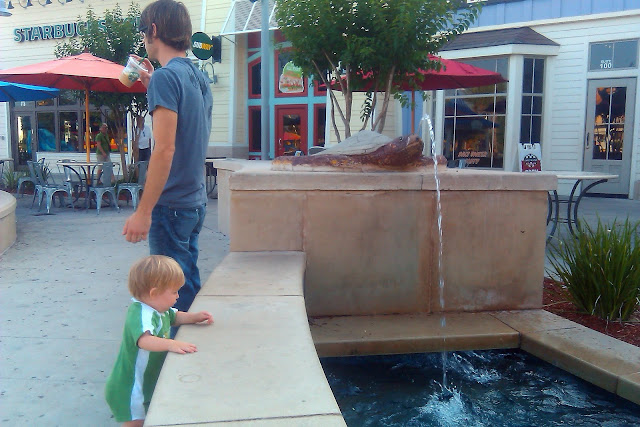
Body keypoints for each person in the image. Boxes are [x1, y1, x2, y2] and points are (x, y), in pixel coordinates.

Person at [122, 0, 213, 314]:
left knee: (168, 295)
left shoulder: (166, 78)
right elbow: (190, 131)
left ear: (154, 30)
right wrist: (152, 84)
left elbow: (164, 149)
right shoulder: (197, 77)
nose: (143, 38)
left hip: (171, 205)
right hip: (194, 201)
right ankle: (193, 337)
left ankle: (177, 344)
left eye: (143, 31)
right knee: (185, 283)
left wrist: (143, 212)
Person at [105, 255, 213, 426]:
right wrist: (172, 344)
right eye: (174, 292)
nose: (178, 296)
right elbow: (144, 340)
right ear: (154, 293)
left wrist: (194, 317)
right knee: (136, 423)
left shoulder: (159, 308)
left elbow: (175, 317)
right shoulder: (141, 313)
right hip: (130, 387)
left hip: (144, 383)